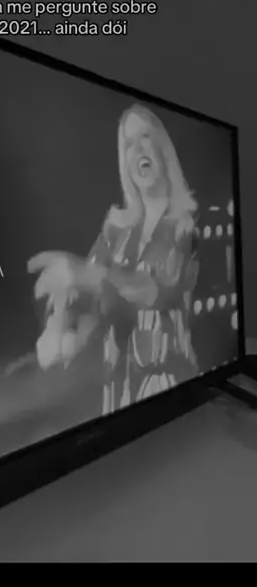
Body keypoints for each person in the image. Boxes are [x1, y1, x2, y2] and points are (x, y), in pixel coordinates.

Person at [28, 104, 200, 416]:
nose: (138, 149)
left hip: (171, 393)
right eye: (129, 143)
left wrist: (85, 275)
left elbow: (152, 290)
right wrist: (64, 327)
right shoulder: (114, 232)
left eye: (145, 136)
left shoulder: (185, 225)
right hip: (120, 399)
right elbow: (95, 301)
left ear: (163, 149)